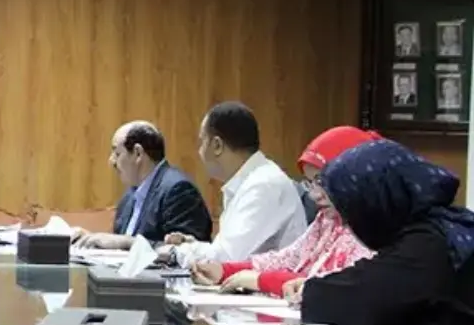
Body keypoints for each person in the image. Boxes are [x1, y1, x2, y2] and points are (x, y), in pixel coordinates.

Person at [300, 139, 474, 325]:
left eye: (351, 208)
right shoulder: (440, 228)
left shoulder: (429, 242)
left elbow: (362, 298)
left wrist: (309, 291)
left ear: (376, 198)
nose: (348, 221)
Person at [191, 126, 377, 299]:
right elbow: (286, 260)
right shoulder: (328, 220)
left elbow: (329, 287)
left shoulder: (370, 226)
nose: (315, 195)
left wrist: (260, 280)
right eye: (310, 183)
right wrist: (224, 271)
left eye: (321, 181)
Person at [167, 101, 307, 265]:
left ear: (217, 145)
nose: (200, 152)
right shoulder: (251, 181)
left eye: (202, 142)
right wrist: (192, 245)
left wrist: (175, 252)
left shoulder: (264, 185)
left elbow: (226, 260)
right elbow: (227, 251)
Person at [74, 120, 212, 249]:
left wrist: (126, 242)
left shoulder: (178, 190)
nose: (111, 161)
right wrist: (91, 239)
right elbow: (118, 245)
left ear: (138, 153)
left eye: (117, 153)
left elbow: (186, 251)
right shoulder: (129, 196)